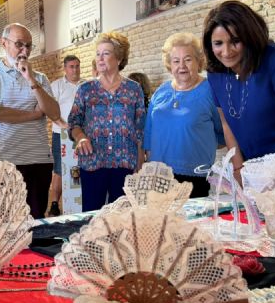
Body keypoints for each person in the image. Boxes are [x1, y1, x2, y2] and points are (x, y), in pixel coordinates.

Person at [202, 0, 275, 179]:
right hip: (253, 168)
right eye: (218, 43)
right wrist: (238, 169)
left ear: (249, 35)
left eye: (235, 41)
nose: (226, 51)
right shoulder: (215, 72)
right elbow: (226, 123)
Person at [0, 23, 60, 219]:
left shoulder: (39, 78)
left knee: (36, 221)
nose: (24, 51)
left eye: (29, 45)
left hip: (38, 158)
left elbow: (54, 112)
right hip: (4, 160)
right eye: (19, 44)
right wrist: (33, 115)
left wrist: (31, 79)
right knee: (4, 222)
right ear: (4, 43)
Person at [68, 31, 146, 211]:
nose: (100, 59)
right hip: (93, 161)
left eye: (106, 53)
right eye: (98, 54)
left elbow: (140, 128)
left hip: (125, 162)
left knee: (122, 217)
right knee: (91, 215)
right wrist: (80, 137)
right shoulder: (85, 89)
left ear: (118, 59)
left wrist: (140, 163)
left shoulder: (134, 89)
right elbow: (74, 121)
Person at [144, 33, 224, 197]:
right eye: (176, 61)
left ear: (198, 61)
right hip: (158, 175)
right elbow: (149, 132)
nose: (182, 66)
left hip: (193, 177)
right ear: (169, 64)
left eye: (188, 59)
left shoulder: (211, 91)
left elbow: (223, 133)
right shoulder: (161, 91)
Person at [48, 55, 83, 216]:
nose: (75, 69)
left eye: (77, 66)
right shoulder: (56, 86)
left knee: (79, 168)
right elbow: (50, 110)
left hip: (81, 135)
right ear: (65, 68)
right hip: (60, 135)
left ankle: (77, 202)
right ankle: (55, 204)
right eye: (71, 66)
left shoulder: (86, 85)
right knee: (59, 170)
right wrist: (63, 125)